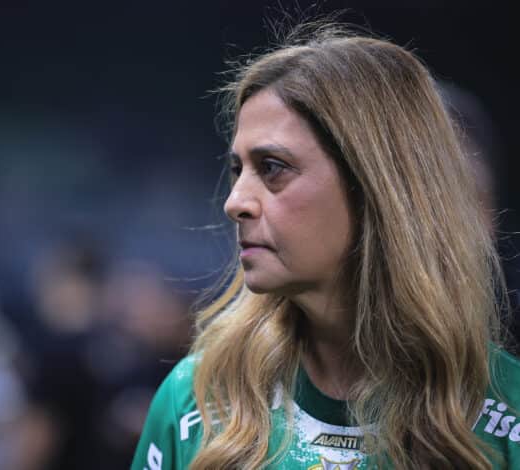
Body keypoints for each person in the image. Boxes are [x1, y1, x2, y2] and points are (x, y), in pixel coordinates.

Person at [131, 22, 519, 470]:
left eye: (273, 167)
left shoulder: (509, 416)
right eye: (238, 169)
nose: (234, 202)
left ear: (377, 187)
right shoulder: (191, 402)